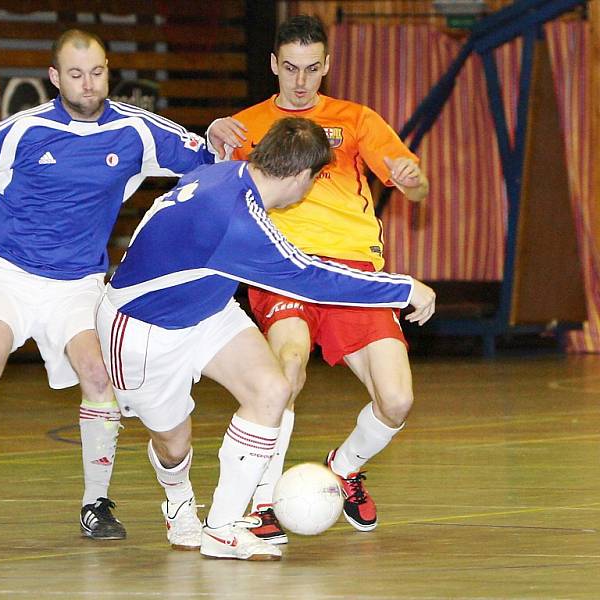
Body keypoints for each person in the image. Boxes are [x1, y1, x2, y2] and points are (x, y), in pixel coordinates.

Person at [0, 29, 238, 539]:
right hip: (6, 269)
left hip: (77, 281)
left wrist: (226, 142)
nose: (88, 85)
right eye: (75, 74)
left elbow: (206, 156)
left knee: (98, 372)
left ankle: (97, 504)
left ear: (108, 71)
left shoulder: (136, 131)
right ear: (55, 78)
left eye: (97, 73)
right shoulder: (27, 128)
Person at [95, 117, 436, 561]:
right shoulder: (237, 222)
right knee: (174, 446)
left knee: (273, 388)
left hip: (208, 309)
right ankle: (177, 497)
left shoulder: (227, 174)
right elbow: (312, 279)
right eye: (315, 179)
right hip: (142, 331)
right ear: (300, 177)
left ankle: (222, 528)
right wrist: (404, 288)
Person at [210, 14, 431, 543]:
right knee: (286, 372)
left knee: (397, 400)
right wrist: (213, 137)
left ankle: (346, 467)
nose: (301, 81)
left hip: (353, 273)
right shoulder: (247, 126)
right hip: (283, 268)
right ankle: (262, 503)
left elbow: (416, 189)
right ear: (273, 66)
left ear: (327, 66)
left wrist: (412, 181)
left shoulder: (355, 120)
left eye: (312, 69)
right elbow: (210, 186)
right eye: (290, 69)